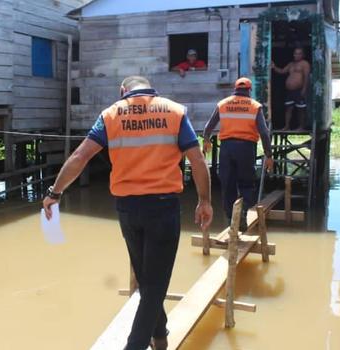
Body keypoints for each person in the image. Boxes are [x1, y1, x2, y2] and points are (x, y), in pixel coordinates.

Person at [43, 76, 213, 350]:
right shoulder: (174, 111)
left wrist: (55, 192)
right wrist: (204, 201)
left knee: (148, 281)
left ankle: (160, 338)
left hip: (128, 210)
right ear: (149, 88)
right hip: (162, 207)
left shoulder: (111, 114)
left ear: (123, 91)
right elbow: (197, 160)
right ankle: (135, 345)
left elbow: (80, 157)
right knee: (155, 286)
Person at [202, 77, 273, 231]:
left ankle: (230, 221)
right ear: (249, 90)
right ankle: (242, 215)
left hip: (227, 148)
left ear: (235, 89)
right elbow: (264, 133)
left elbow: (208, 127)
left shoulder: (223, 104)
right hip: (246, 148)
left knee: (228, 184)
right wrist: (269, 155)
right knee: (247, 183)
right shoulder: (255, 106)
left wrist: (206, 140)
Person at [271, 47, 311, 130]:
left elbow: (306, 77)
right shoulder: (291, 64)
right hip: (290, 91)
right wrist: (274, 67)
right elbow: (282, 71)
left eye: (299, 53)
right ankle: (287, 126)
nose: (296, 55)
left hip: (299, 90)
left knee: (301, 109)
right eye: (295, 53)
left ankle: (301, 126)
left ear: (303, 55)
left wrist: (304, 89)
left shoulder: (305, 64)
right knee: (288, 108)